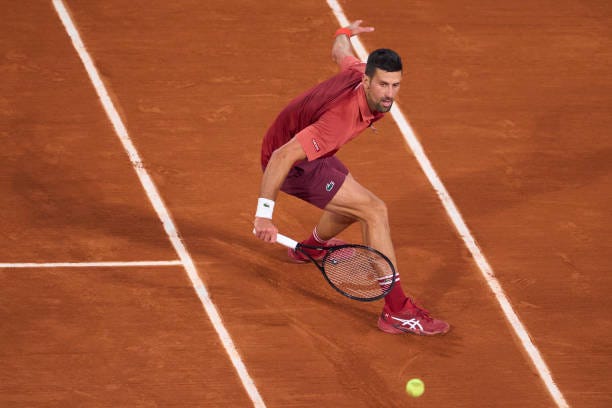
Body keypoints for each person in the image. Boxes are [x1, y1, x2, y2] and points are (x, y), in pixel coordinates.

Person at [253, 20, 449, 336]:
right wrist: (264, 216)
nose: (389, 94)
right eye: (383, 85)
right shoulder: (340, 120)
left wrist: (344, 33)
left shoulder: (360, 72)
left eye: (395, 85)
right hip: (291, 163)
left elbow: (339, 52)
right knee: (374, 210)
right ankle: (396, 311)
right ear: (368, 82)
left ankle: (311, 249)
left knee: (351, 200)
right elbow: (281, 157)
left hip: (308, 151)